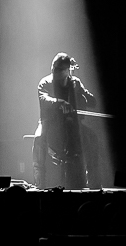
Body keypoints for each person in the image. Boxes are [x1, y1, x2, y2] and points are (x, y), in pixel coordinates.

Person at [33, 52, 98, 189]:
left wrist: (83, 95)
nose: (55, 71)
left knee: (92, 138)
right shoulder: (45, 83)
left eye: (59, 69)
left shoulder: (75, 83)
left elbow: (92, 101)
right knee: (38, 138)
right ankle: (39, 182)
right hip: (49, 123)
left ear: (68, 70)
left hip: (72, 124)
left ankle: (93, 182)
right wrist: (60, 102)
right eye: (54, 67)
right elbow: (44, 99)